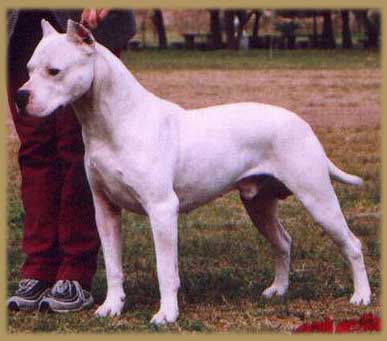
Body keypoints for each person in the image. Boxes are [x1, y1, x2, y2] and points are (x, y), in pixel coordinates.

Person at [7, 9, 136, 313]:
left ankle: (75, 270)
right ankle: (39, 266)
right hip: (19, 21)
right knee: (34, 148)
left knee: (76, 146)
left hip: (83, 19)